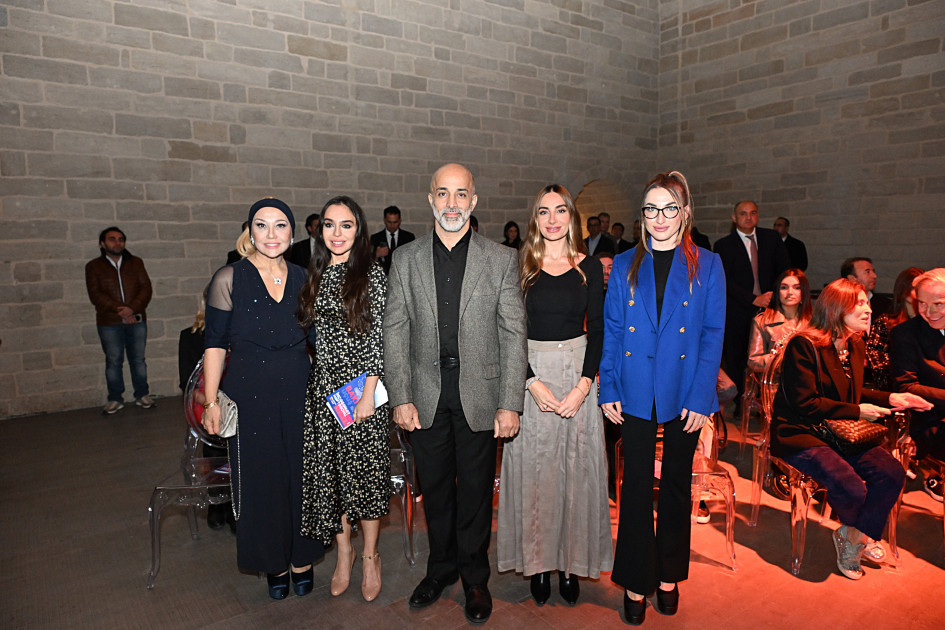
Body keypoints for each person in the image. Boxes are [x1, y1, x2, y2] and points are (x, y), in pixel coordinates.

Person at [384, 163, 528, 625]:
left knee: (476, 493)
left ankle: (475, 579)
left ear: (474, 201)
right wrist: (400, 396)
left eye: (460, 194)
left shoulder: (500, 259)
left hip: (481, 396)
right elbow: (395, 331)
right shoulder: (405, 259)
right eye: (443, 194)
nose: (452, 203)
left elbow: (513, 334)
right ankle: (440, 569)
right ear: (430, 200)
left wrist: (510, 402)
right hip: (425, 396)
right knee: (436, 491)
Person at [599, 171, 725, 625]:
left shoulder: (708, 264)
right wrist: (609, 384)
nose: (660, 217)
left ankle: (669, 576)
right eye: (651, 208)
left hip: (684, 389)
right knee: (634, 486)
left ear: (685, 212)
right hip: (633, 386)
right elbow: (613, 330)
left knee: (674, 483)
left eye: (669, 208)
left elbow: (712, 334)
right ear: (642, 215)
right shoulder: (625, 262)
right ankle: (636, 580)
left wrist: (701, 395)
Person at [201, 198, 323, 600]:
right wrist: (211, 401)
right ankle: (274, 563)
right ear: (250, 232)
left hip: (299, 390)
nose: (272, 234)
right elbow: (214, 344)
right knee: (262, 480)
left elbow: (319, 340)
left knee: (302, 477)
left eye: (280, 225)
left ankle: (302, 558)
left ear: (293, 232)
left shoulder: (304, 277)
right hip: (250, 393)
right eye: (262, 225)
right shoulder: (229, 278)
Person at [496, 184, 611, 608]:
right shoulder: (520, 265)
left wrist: (584, 385)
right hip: (531, 374)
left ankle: (570, 563)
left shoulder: (590, 267)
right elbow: (508, 329)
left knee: (576, 472)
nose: (552, 219)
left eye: (560, 210)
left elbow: (598, 329)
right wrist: (529, 381)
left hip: (578, 373)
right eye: (543, 212)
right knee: (536, 474)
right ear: (535, 219)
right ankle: (540, 563)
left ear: (572, 218)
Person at [771, 278, 930, 579]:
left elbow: (852, 393)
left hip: (840, 432)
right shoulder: (803, 345)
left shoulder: (854, 344)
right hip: (801, 433)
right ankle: (859, 536)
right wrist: (858, 411)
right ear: (836, 308)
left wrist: (892, 398)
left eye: (868, 302)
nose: (868, 309)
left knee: (892, 473)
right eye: (860, 303)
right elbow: (805, 403)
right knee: (852, 486)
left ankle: (854, 535)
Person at [297, 196, 390, 602]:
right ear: (320, 230)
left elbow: (378, 337)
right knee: (332, 475)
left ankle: (370, 557)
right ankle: (344, 553)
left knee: (365, 476)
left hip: (360, 390)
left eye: (346, 225)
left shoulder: (370, 273)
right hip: (323, 391)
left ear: (359, 230)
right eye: (329, 225)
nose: (337, 233)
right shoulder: (316, 273)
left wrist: (367, 395)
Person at [714, 200, 790, 398]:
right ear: (734, 217)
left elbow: (784, 269)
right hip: (738, 310)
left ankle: (767, 400)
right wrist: (752, 299)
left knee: (771, 356)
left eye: (753, 213)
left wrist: (773, 295)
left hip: (770, 308)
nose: (748, 217)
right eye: (743, 213)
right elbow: (724, 279)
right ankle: (741, 402)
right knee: (738, 357)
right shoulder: (723, 245)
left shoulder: (771, 238)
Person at [178, 286, 234, 532]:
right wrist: (213, 403)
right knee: (215, 446)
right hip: (206, 405)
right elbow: (187, 384)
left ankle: (236, 507)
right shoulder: (190, 337)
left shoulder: (241, 335)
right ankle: (217, 504)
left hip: (239, 406)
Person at [85, 226, 155, 414]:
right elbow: (95, 294)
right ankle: (115, 398)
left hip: (137, 319)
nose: (117, 243)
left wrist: (131, 309)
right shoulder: (93, 266)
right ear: (102, 243)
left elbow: (146, 289)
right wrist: (121, 310)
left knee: (138, 359)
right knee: (114, 360)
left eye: (120, 239)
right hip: (109, 322)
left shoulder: (136, 263)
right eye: (112, 239)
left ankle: (142, 395)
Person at [890, 268, 945, 501]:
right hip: (930, 420)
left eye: (939, 304)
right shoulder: (905, 334)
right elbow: (906, 387)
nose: (929, 312)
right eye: (922, 303)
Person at [866, 267, 924, 391]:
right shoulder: (885, 322)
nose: (920, 293)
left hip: (927, 387)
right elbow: (875, 359)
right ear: (903, 290)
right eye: (915, 288)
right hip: (894, 388)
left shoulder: (931, 322)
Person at [747, 269, 813, 375]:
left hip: (807, 380)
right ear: (777, 292)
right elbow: (753, 361)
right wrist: (782, 360)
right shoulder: (762, 322)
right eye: (784, 287)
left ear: (803, 292)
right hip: (776, 381)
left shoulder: (814, 321)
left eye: (797, 287)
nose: (790, 292)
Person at [370, 205, 415, 275]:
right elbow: (367, 263)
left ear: (400, 220)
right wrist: (376, 255)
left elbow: (414, 260)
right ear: (384, 220)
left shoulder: (409, 238)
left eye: (395, 222)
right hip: (383, 276)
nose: (392, 225)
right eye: (389, 222)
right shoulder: (375, 238)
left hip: (403, 275)